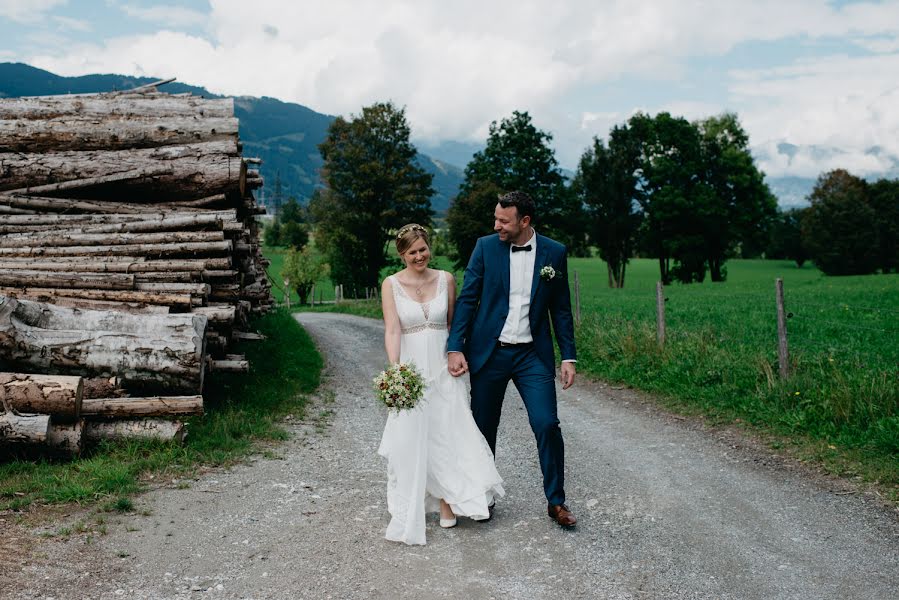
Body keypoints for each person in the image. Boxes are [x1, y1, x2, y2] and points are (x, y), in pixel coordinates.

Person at [447, 191, 578, 528]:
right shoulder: (485, 247)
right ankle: (482, 495)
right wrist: (455, 346)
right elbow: (467, 300)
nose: (496, 226)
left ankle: (557, 502)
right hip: (491, 353)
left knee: (547, 423)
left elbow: (561, 309)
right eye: (495, 219)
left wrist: (569, 356)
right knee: (483, 426)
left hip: (532, 355)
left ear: (525, 222)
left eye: (503, 221)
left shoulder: (554, 252)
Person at [377, 223, 504, 545]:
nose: (419, 256)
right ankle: (418, 497)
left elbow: (453, 324)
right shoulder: (390, 285)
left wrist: (457, 354)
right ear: (402, 255)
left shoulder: (446, 279)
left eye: (422, 249)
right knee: (414, 435)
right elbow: (392, 330)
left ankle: (448, 500)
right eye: (411, 252)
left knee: (448, 431)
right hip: (412, 368)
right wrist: (396, 372)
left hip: (444, 367)